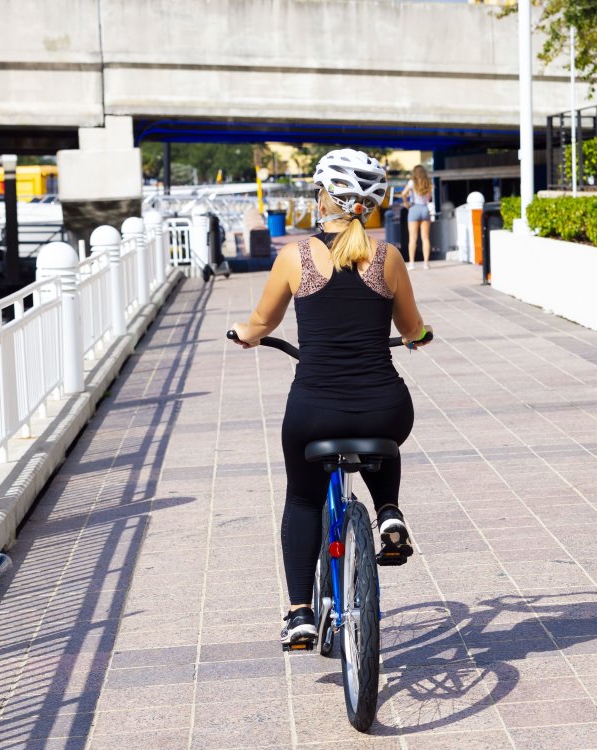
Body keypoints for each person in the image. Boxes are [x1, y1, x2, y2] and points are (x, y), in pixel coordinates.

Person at [228, 149, 433, 647]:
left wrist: (244, 334)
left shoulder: (294, 257)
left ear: (324, 197)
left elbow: (262, 322)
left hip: (313, 413)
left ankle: (299, 613)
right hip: (385, 404)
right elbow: (411, 328)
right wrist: (419, 336)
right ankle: (387, 512)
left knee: (302, 497)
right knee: (382, 435)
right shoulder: (389, 258)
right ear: (370, 204)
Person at [399, 164, 433, 269]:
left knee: (413, 239)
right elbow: (429, 198)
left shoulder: (411, 183)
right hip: (425, 208)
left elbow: (403, 194)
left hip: (414, 209)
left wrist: (406, 204)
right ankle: (426, 263)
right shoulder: (428, 182)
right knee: (425, 238)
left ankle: (412, 263)